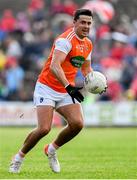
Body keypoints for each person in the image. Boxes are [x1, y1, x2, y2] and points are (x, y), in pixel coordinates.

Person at [9, 9, 93, 173]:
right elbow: (55, 66)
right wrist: (69, 87)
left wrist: (95, 82)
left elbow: (86, 69)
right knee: (44, 129)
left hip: (66, 89)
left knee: (77, 124)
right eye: (83, 22)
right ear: (74, 22)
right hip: (47, 87)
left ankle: (52, 149)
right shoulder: (65, 40)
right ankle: (18, 157)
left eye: (89, 23)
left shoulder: (88, 44)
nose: (86, 26)